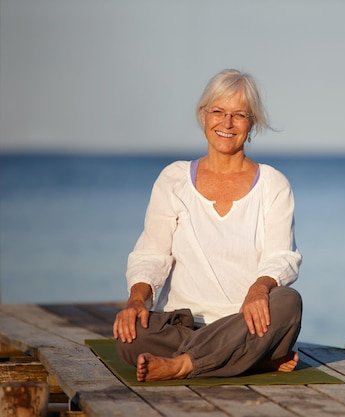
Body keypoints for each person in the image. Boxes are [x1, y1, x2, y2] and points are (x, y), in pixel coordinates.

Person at [113, 69, 303, 382]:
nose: (226, 124)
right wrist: (136, 301)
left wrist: (259, 288)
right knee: (127, 334)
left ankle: (184, 365)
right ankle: (250, 359)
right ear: (203, 115)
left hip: (247, 321)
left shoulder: (273, 185)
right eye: (218, 112)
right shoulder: (173, 179)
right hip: (183, 324)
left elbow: (281, 257)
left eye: (238, 114)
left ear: (251, 122)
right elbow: (152, 254)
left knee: (287, 303)